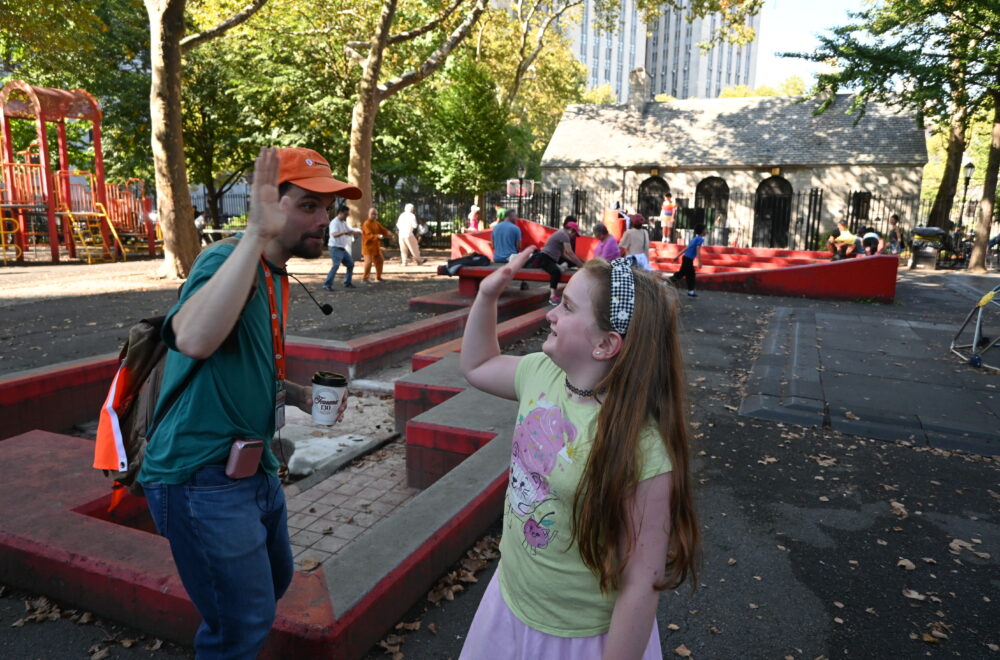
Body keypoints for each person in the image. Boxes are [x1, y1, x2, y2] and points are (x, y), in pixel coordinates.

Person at [137, 147, 358, 657]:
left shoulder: (274, 273)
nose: (324, 220)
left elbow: (235, 364)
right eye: (308, 205)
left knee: (272, 584)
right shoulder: (227, 259)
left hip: (254, 471)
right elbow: (191, 338)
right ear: (268, 207)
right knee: (242, 623)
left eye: (326, 207)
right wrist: (254, 235)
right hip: (201, 478)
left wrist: (299, 396)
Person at [458, 248, 700, 660]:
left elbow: (641, 582)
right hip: (510, 601)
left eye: (567, 306)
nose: (552, 312)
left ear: (606, 344)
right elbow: (479, 365)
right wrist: (486, 297)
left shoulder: (642, 449)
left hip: (577, 638)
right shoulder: (542, 373)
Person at [534, 217, 584, 305]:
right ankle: (552, 296)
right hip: (545, 258)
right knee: (556, 271)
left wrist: (576, 263)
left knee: (570, 262)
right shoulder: (564, 235)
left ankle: (566, 267)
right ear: (571, 230)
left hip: (552, 257)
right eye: (575, 234)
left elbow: (563, 254)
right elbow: (570, 252)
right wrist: (581, 265)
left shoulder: (561, 233)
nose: (574, 237)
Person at [324, 204, 360, 290]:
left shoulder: (343, 223)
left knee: (350, 264)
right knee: (336, 265)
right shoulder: (334, 222)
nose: (346, 216)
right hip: (335, 248)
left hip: (342, 249)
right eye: (345, 214)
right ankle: (327, 285)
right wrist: (344, 233)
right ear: (340, 213)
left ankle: (347, 282)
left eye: (348, 215)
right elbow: (334, 234)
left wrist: (355, 232)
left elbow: (348, 230)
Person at [670, 223, 705, 297]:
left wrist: (678, 256)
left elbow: (686, 248)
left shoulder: (695, 239)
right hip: (688, 259)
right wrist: (699, 262)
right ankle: (690, 291)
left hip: (686, 258)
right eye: (705, 229)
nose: (707, 231)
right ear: (702, 231)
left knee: (684, 274)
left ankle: (690, 291)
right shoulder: (700, 239)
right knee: (688, 275)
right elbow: (698, 250)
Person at [362, 207, 392, 283]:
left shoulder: (376, 223)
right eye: (372, 214)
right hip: (368, 247)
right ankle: (365, 278)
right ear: (368, 214)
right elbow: (368, 235)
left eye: (375, 214)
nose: (374, 216)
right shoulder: (366, 224)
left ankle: (378, 277)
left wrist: (388, 233)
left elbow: (383, 230)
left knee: (380, 260)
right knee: (368, 263)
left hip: (376, 247)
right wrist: (377, 236)